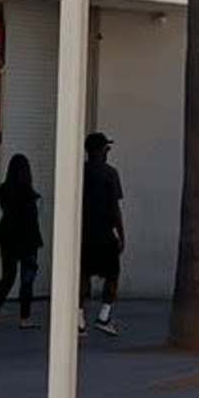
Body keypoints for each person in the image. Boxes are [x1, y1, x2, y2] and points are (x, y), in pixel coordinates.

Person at [81, 130, 126, 335]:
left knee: (82, 275)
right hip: (104, 233)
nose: (108, 151)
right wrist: (122, 234)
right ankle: (104, 315)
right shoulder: (110, 174)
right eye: (106, 148)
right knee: (112, 275)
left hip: (83, 233)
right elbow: (115, 208)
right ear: (100, 150)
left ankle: (79, 317)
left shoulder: (80, 172)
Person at [0, 151, 43, 323]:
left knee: (8, 276)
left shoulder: (3, 192)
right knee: (27, 279)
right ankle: (24, 317)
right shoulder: (31, 195)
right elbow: (33, 218)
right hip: (28, 239)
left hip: (7, 236)